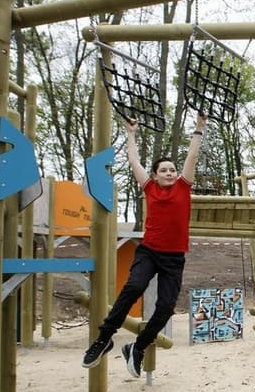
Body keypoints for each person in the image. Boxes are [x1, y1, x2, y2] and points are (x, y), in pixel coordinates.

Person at [82, 112, 208, 377]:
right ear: (155, 175)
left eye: (172, 169)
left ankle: (137, 348)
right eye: (164, 170)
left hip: (174, 257)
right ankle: (104, 339)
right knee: (134, 286)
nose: (170, 173)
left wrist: (198, 129)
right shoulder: (149, 187)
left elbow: (192, 157)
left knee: (165, 308)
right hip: (149, 251)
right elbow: (133, 160)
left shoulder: (183, 187)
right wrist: (130, 134)